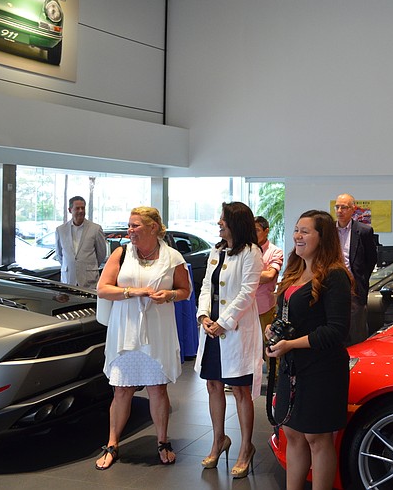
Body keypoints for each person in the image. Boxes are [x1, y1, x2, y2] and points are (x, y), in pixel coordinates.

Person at [94, 206, 191, 470]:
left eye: (135, 225)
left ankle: (162, 441)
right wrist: (132, 292)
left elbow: (185, 290)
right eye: (129, 225)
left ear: (153, 227)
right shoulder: (121, 253)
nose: (130, 230)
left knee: (157, 387)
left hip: (157, 328)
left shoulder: (172, 257)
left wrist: (169, 295)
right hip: (125, 328)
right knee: (122, 388)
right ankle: (112, 444)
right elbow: (103, 289)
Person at [266, 210, 352, 490]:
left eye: (305, 231)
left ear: (322, 236)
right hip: (293, 366)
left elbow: (336, 331)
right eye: (296, 230)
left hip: (322, 369)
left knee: (318, 438)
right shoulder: (294, 270)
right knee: (292, 433)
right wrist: (274, 331)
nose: (298, 236)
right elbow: (288, 316)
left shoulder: (335, 275)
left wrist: (291, 343)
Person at [195, 201, 264, 477]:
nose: (218, 223)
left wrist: (223, 322)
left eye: (222, 219)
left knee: (239, 390)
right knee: (213, 385)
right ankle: (218, 440)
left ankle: (246, 447)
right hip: (212, 329)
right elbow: (205, 286)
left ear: (234, 222)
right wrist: (203, 316)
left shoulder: (252, 252)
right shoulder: (216, 250)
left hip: (234, 330)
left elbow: (248, 292)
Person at [334, 193, 377, 345]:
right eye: (337, 207)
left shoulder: (364, 231)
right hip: (333, 288)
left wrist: (361, 279)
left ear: (353, 209)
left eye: (344, 207)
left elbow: (371, 260)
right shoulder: (329, 231)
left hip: (355, 289)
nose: (339, 211)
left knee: (356, 333)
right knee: (336, 332)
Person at [54, 196, 107, 290]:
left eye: (83, 208)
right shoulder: (60, 230)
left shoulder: (96, 229)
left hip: (89, 280)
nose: (81, 211)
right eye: (77, 208)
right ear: (70, 210)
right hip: (68, 280)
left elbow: (101, 254)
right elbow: (59, 254)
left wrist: (90, 267)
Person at [255, 215, 284, 349]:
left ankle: (273, 371)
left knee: (269, 345)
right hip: (244, 307)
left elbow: (270, 275)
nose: (253, 234)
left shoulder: (275, 251)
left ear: (266, 231)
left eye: (256, 230)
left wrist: (245, 275)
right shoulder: (244, 250)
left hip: (264, 306)